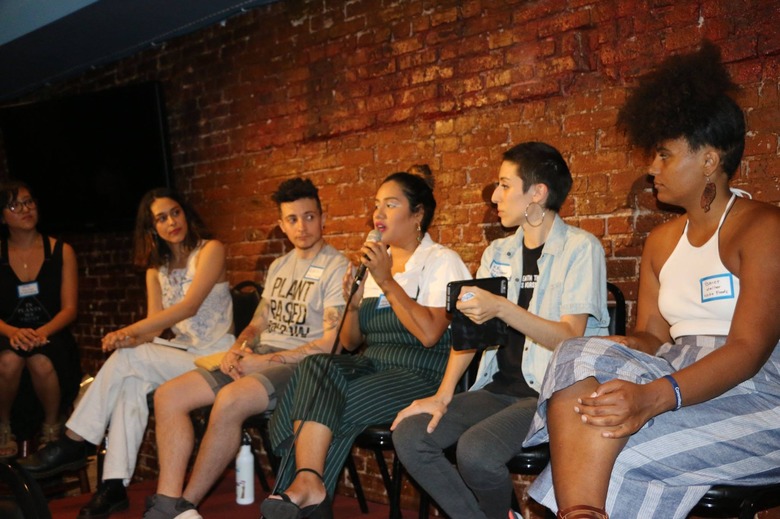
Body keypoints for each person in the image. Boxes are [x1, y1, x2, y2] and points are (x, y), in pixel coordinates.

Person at [523, 42, 780, 519]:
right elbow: (654, 337)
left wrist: (651, 398)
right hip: (675, 367)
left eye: (664, 155)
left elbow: (747, 351)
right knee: (576, 353)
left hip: (760, 390)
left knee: (617, 451)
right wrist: (614, 352)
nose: (651, 167)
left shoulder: (764, 228)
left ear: (709, 159)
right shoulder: (662, 241)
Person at [390, 142, 610, 519]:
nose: (494, 196)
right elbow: (471, 332)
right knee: (410, 434)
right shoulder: (497, 252)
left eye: (505, 185)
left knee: (475, 452)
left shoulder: (580, 248)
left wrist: (504, 308)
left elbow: (570, 338)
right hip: (495, 388)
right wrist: (443, 396)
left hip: (549, 393)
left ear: (537, 192)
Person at [260, 168, 472, 519]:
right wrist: (356, 300)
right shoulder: (376, 263)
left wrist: (386, 279)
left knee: (324, 406)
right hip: (373, 365)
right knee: (315, 366)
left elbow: (431, 333)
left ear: (417, 214)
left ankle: (302, 492)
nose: (379, 214)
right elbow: (350, 341)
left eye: (391, 204)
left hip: (420, 374)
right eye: (376, 205)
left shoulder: (441, 261)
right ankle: (309, 484)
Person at [20, 187, 235, 519]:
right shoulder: (155, 270)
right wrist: (128, 339)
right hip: (179, 353)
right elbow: (152, 328)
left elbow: (189, 307)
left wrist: (132, 332)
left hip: (215, 355)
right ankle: (114, 485)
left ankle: (75, 439)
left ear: (186, 214)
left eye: (175, 212)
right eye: (161, 219)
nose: (171, 222)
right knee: (130, 379)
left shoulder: (211, 251)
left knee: (131, 363)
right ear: (152, 229)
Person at [142, 178, 349, 519]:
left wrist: (262, 361)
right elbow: (258, 322)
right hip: (259, 357)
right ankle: (167, 500)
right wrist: (239, 348)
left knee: (229, 400)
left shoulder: (335, 267)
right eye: (293, 219)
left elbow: (329, 344)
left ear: (323, 218)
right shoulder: (280, 266)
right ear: (282, 225)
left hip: (303, 367)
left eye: (310, 217)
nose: (302, 226)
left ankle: (184, 507)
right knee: (168, 396)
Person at [0, 181, 81, 458]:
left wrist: (40, 333)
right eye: (15, 205)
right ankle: (4, 426)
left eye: (29, 202)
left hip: (52, 334)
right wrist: (12, 332)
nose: (25, 209)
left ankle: (51, 426)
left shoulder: (62, 251)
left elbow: (70, 309)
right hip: (6, 334)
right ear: (2, 216)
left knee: (40, 359)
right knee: (9, 360)